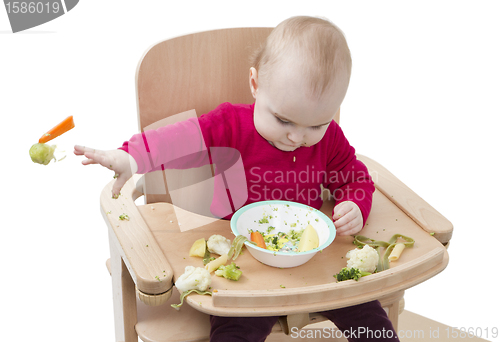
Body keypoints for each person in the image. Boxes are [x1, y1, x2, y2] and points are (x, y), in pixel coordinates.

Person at [75, 16, 399, 341]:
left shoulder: (329, 139)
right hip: (242, 264)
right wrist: (130, 156)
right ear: (255, 85)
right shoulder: (230, 124)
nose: (297, 137)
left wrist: (355, 203)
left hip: (315, 264)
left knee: (372, 323)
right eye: (284, 119)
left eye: (316, 125)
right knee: (233, 333)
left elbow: (355, 177)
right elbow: (177, 139)